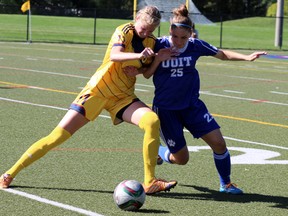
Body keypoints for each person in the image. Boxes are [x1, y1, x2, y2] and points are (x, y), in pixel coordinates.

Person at [0, 6, 177, 195]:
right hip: (97, 92)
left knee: (152, 121)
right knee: (56, 137)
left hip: (123, 96)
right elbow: (115, 56)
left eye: (150, 30)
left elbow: (147, 73)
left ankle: (149, 182)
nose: (146, 33)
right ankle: (10, 173)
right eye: (143, 28)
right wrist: (139, 56)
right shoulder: (124, 31)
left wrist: (155, 61)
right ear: (136, 19)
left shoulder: (151, 42)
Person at [141, 4, 267, 194]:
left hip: (192, 106)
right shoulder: (159, 45)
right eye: (175, 36)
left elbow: (222, 55)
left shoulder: (196, 46)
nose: (178, 41)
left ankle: (226, 184)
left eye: (183, 37)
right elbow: (147, 74)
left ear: (191, 34)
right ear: (169, 32)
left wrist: (247, 57)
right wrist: (158, 58)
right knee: (182, 159)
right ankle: (159, 151)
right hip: (166, 109)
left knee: (219, 143)